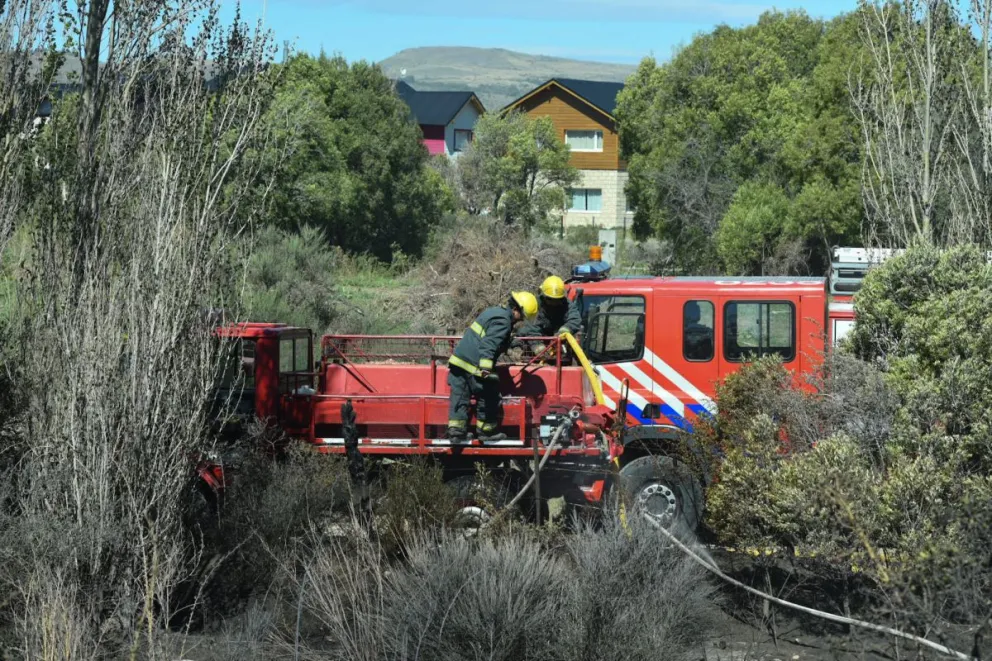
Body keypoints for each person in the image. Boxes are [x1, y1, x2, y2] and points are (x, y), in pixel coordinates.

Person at [446, 291, 538, 442]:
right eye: (521, 316)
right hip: (475, 363)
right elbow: (489, 344)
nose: (520, 320)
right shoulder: (504, 321)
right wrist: (486, 369)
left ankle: (456, 433)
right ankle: (487, 432)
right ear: (516, 309)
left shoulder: (494, 312)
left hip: (459, 361)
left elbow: (489, 336)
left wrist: (509, 342)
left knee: (460, 395)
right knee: (489, 393)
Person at [516, 275, 582, 358]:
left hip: (559, 344)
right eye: (550, 299)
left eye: (557, 300)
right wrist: (538, 346)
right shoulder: (535, 305)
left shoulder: (568, 305)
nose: (554, 303)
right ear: (544, 296)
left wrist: (563, 331)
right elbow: (531, 327)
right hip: (536, 342)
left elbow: (574, 319)